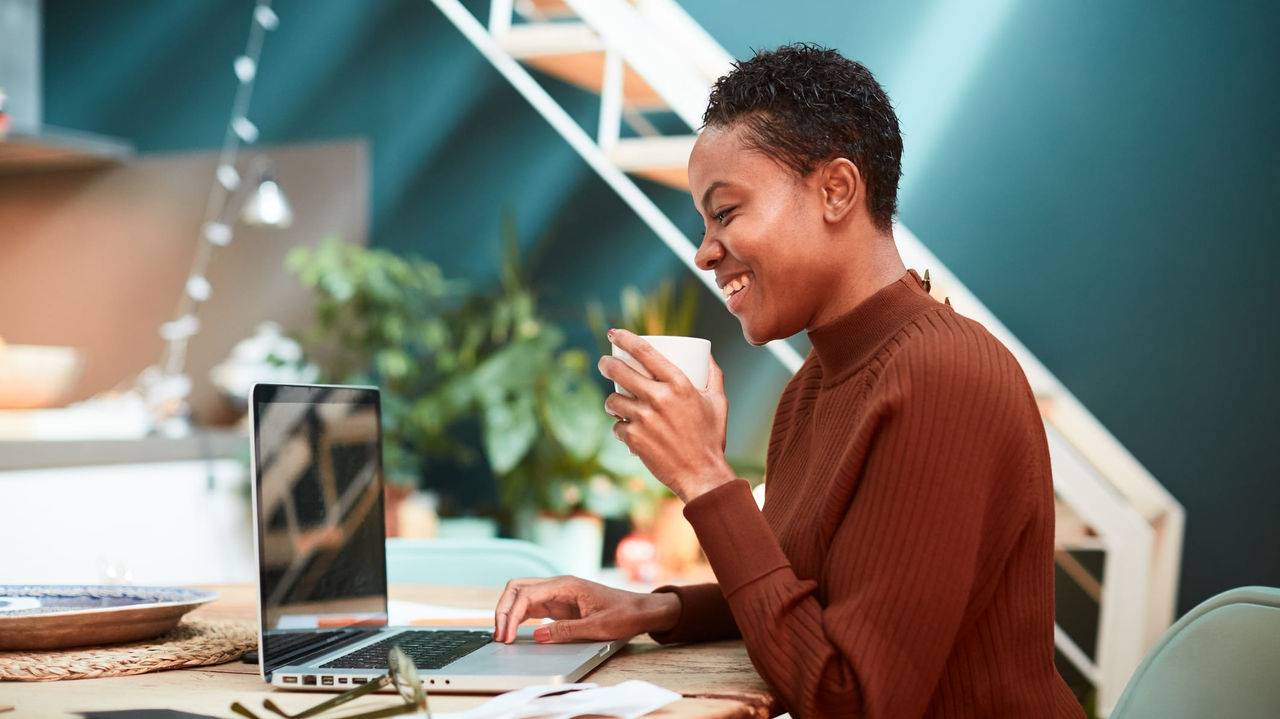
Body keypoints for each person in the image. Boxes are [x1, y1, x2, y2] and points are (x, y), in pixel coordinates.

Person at [492, 43, 1084, 718]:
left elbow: (855, 699)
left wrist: (704, 476)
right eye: (703, 220)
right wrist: (653, 607)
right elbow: (814, 598)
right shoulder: (813, 385)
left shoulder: (943, 376)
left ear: (836, 190)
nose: (705, 250)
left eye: (727, 211)